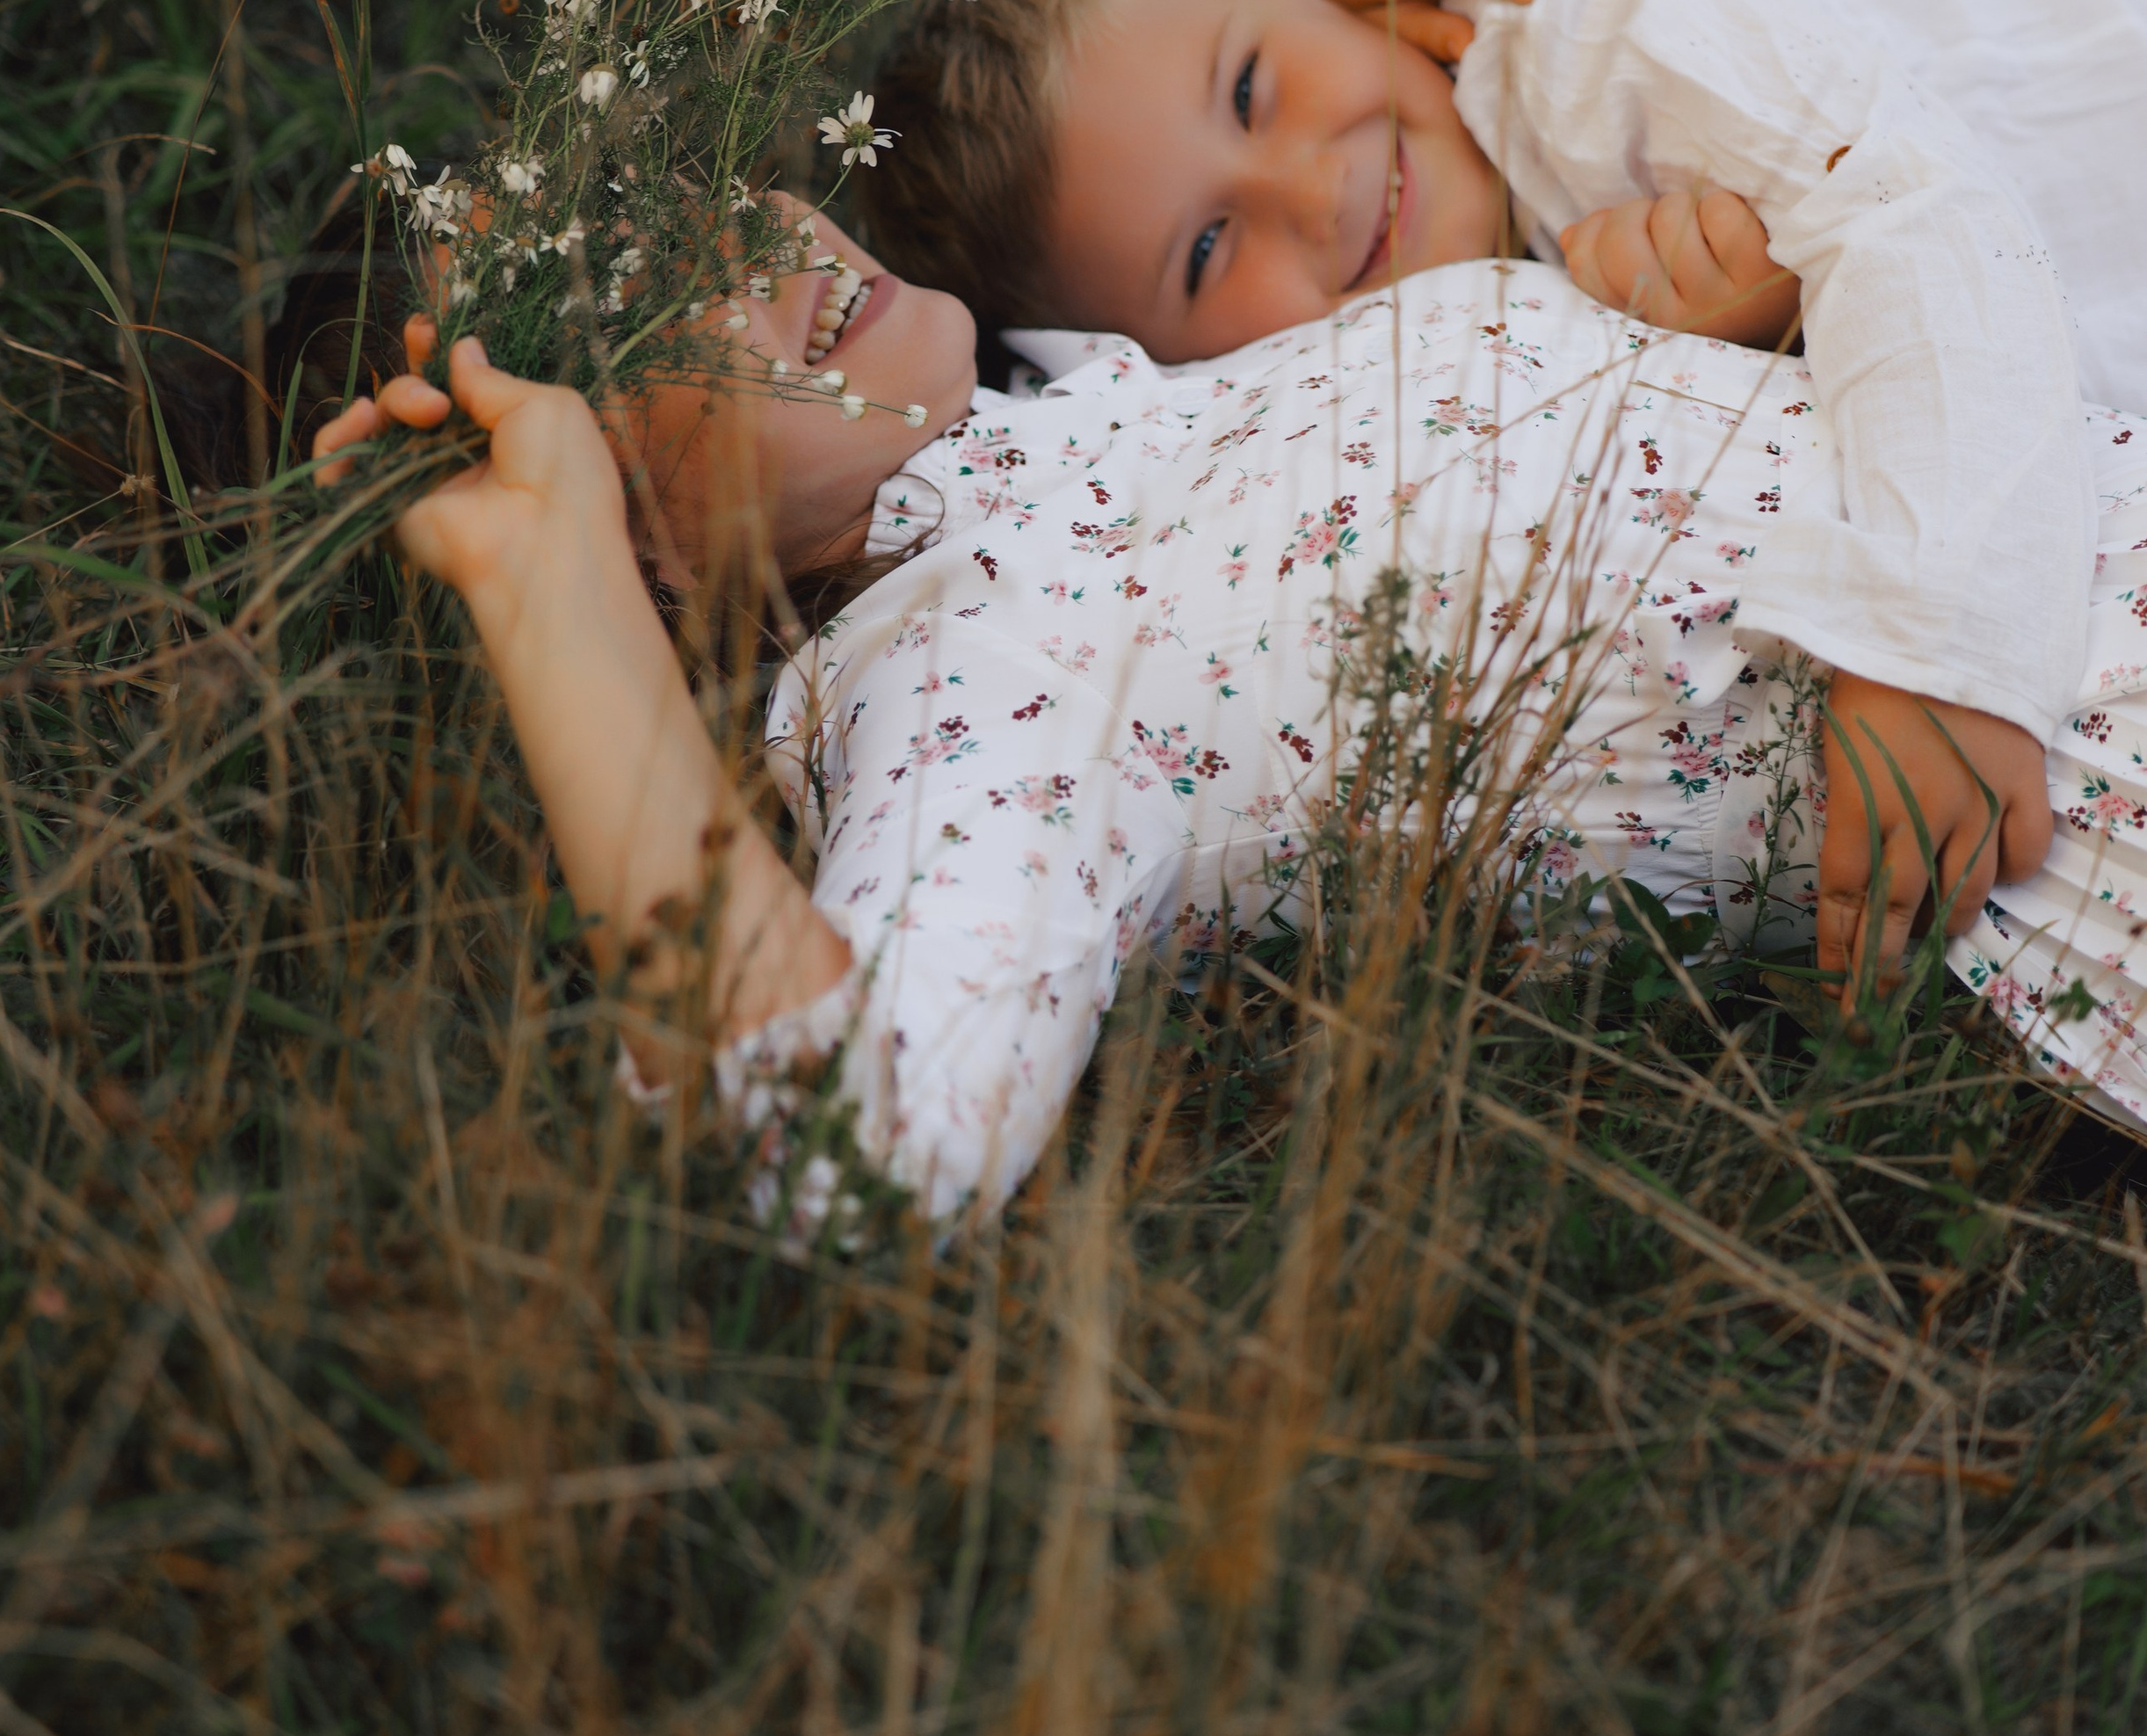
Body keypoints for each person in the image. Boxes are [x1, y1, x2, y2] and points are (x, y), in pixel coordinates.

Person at [315, 208, 2147, 1229]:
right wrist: (549, 609)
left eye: (698, 172)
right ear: (643, 554)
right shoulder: (980, 676)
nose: (754, 245)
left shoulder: (1119, 373)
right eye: (655, 323)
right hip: (2084, 789)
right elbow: (850, 1149)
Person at [861, 0, 2147, 990]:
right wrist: (1758, 330)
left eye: (1253, 85)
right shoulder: (1509, 323)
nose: (1314, 188)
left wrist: (1939, 648)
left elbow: (1918, 215)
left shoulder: (1583, 9)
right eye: (1206, 248)